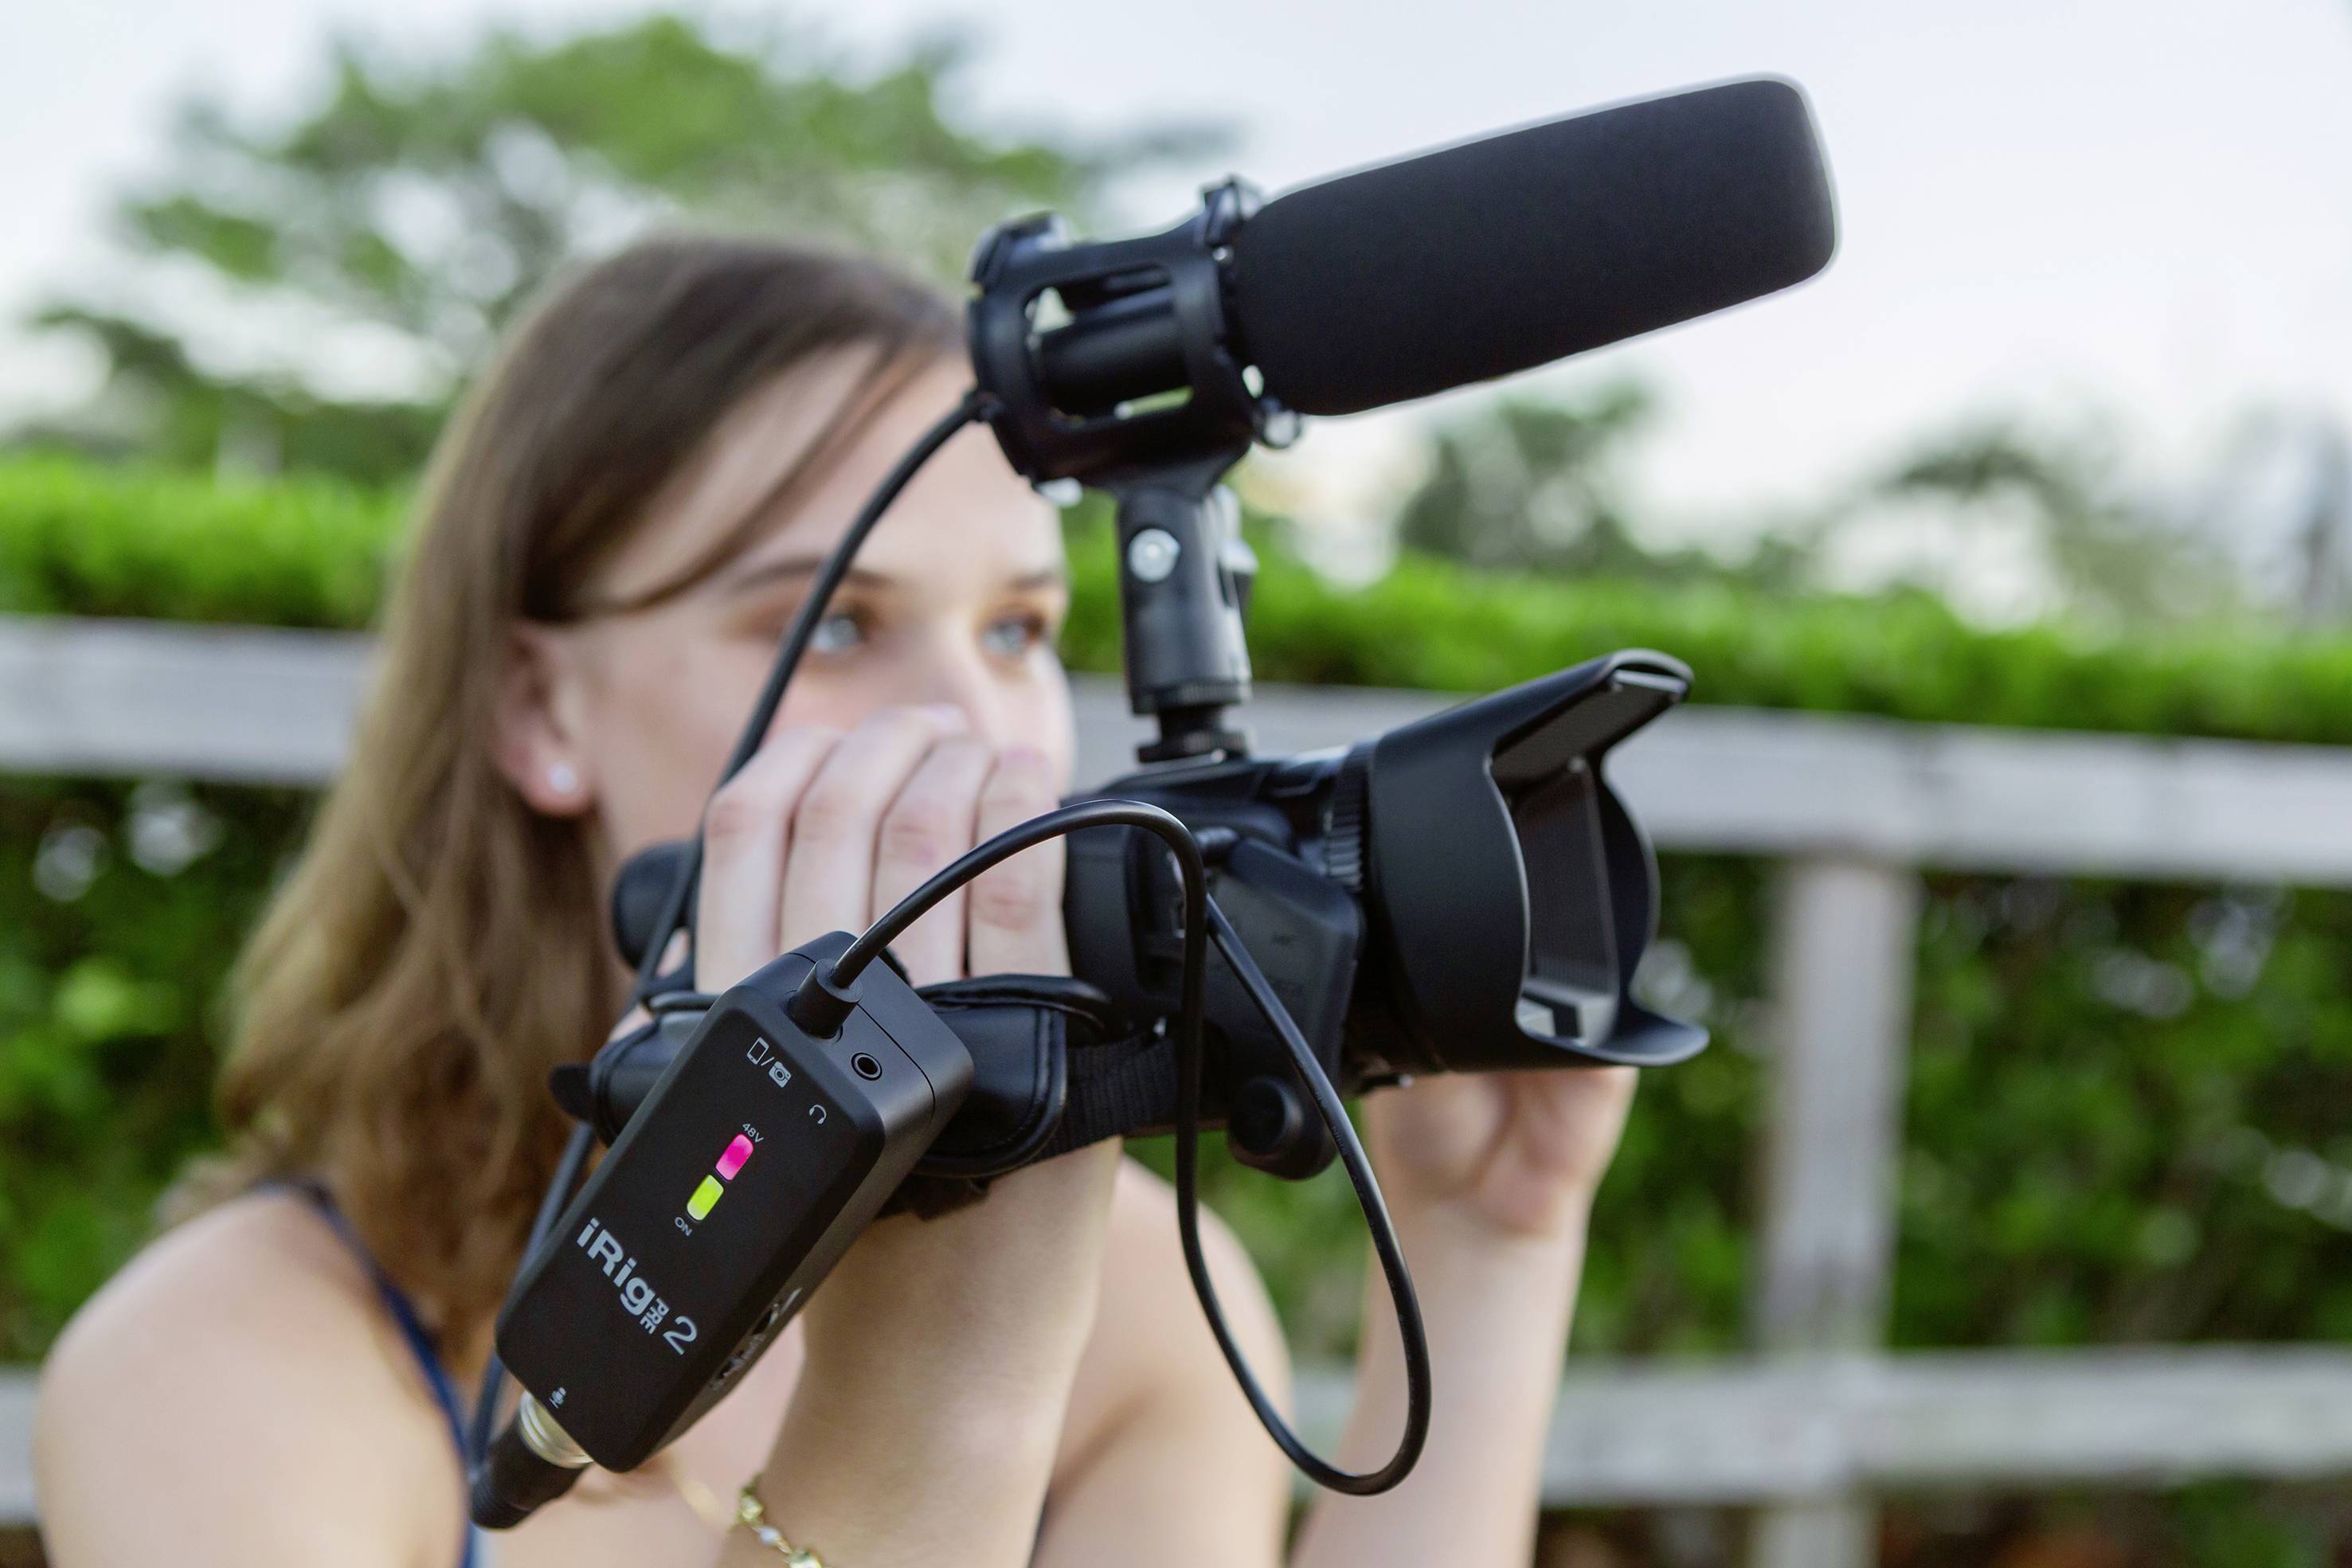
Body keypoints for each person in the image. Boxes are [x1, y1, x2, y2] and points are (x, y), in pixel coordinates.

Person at [33, 235, 1638, 1568]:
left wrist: (1488, 1246)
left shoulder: (1134, 1280)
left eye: (1016, 631)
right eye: (833, 626)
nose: (975, 732)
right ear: (538, 708)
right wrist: (933, 1401)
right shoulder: (229, 1367)